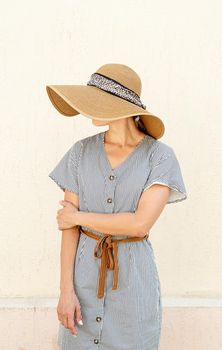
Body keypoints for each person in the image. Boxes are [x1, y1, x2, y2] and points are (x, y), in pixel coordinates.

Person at [46, 63, 187, 350]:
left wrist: (77, 216)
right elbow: (68, 230)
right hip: (82, 283)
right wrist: (65, 291)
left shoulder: (160, 158)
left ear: (119, 107)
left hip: (134, 285)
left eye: (96, 102)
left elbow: (140, 224)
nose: (89, 109)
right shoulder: (79, 153)